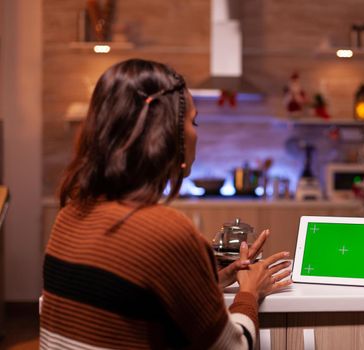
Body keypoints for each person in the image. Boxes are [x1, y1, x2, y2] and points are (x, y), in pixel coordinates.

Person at [40, 58, 292, 349]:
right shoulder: (166, 231)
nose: (197, 133)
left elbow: (131, 301)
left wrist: (209, 284)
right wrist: (250, 291)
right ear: (168, 136)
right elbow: (233, 347)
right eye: (193, 121)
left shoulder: (71, 215)